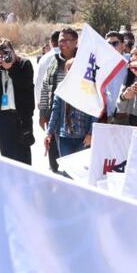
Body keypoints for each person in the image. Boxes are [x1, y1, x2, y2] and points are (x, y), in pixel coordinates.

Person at [0, 38, 35, 164]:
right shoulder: (0, 68)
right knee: (6, 159)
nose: (5, 57)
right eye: (1, 55)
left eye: (6, 53)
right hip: (3, 118)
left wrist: (11, 69)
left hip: (21, 119)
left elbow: (26, 84)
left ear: (12, 50)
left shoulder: (24, 64)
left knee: (23, 160)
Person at [39, 28, 78, 172]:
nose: (63, 43)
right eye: (61, 40)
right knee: (54, 158)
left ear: (76, 42)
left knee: (74, 162)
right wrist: (43, 113)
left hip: (77, 119)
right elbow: (45, 87)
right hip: (54, 115)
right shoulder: (53, 61)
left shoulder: (84, 60)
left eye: (67, 40)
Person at [46, 58, 94, 158]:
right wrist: (49, 133)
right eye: (69, 69)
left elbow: (94, 113)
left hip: (83, 137)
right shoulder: (61, 87)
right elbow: (55, 111)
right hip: (65, 138)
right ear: (65, 71)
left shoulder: (89, 87)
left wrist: (90, 133)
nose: (72, 72)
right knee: (67, 166)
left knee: (81, 166)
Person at [114, 43, 137, 126]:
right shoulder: (129, 76)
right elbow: (119, 107)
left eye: (136, 54)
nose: (132, 58)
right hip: (130, 121)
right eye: (131, 55)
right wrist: (124, 97)